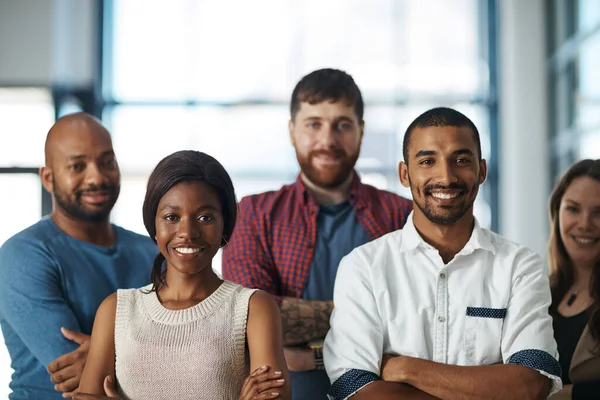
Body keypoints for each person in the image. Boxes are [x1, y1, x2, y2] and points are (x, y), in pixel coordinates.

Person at [324, 107, 563, 400]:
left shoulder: (519, 266)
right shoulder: (363, 267)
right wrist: (485, 387)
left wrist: (407, 369)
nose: (446, 176)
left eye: (461, 160)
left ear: (482, 170)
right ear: (404, 173)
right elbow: (355, 390)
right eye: (427, 161)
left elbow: (529, 385)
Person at [222, 68, 413, 399]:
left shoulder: (401, 215)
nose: (327, 140)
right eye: (313, 124)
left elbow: (419, 320)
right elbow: (246, 317)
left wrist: (308, 356)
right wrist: (370, 323)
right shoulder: (253, 215)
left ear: (361, 131)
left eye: (342, 125)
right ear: (292, 130)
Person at [75, 150, 291, 400]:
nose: (187, 232)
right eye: (171, 217)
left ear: (225, 224)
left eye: (205, 217)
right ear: (153, 225)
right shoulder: (115, 310)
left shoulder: (254, 308)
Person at [0, 113, 157, 399]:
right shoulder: (23, 255)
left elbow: (202, 344)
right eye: (78, 165)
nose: (97, 177)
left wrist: (102, 352)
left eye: (107, 162)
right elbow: (79, 376)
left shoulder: (152, 252)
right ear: (48, 178)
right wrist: (160, 357)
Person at [547, 159, 600, 400]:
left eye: (599, 212)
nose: (585, 224)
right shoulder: (539, 291)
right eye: (573, 209)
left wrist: (567, 395)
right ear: (557, 212)